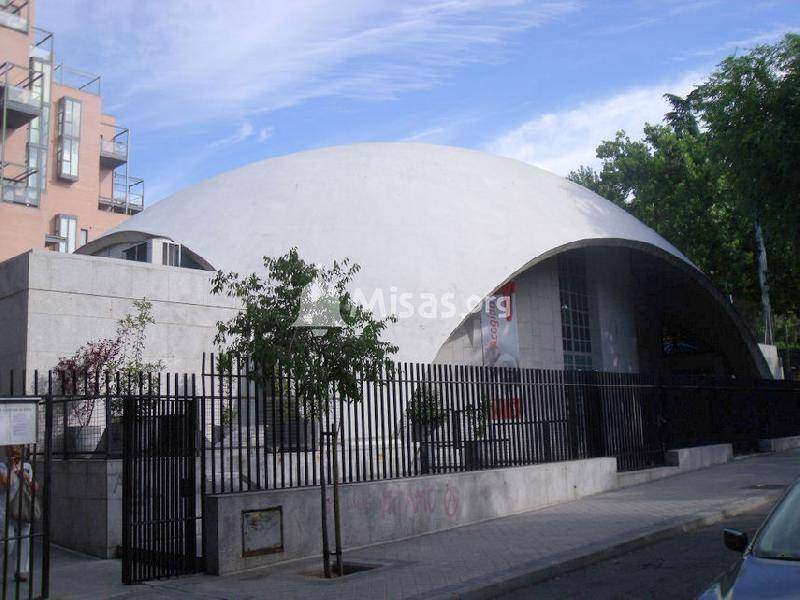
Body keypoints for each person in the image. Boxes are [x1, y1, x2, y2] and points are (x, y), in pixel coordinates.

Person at [0, 446, 35, 582]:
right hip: (6, 509)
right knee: (8, 542)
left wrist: (29, 480)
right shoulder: (2, 466)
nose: (16, 450)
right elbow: (6, 481)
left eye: (19, 447)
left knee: (24, 538)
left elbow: (34, 487)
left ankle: (21, 569)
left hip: (23, 508)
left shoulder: (27, 466)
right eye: (13, 448)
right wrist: (14, 468)